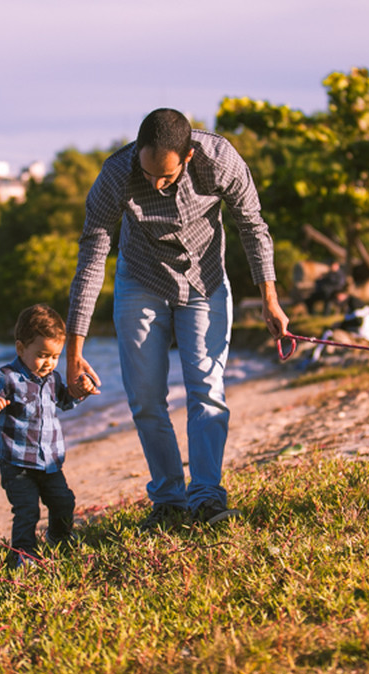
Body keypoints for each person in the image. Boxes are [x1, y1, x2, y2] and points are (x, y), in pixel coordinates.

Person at [65, 107, 289, 531]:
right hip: (141, 280)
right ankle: (169, 500)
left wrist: (270, 299)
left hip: (206, 282)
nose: (155, 183)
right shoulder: (116, 174)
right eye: (147, 174)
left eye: (165, 177)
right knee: (145, 398)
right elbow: (92, 257)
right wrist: (73, 352)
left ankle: (206, 497)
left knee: (206, 390)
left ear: (188, 157)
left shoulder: (219, 160)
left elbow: (253, 226)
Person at [0, 304, 87, 568]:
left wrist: (80, 391)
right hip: (17, 462)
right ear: (20, 348)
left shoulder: (53, 378)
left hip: (50, 461)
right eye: (42, 355)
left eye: (55, 356)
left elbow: (65, 400)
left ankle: (59, 536)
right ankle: (24, 553)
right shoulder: (7, 378)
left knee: (63, 501)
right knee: (27, 510)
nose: (49, 363)